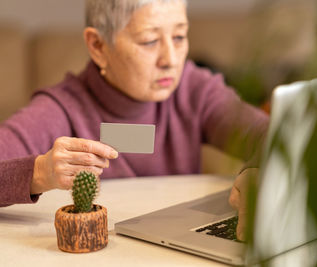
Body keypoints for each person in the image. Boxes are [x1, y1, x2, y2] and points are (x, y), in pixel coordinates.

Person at [0, 0, 268, 240]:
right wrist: (39, 172)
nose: (171, 60)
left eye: (179, 36)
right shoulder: (60, 108)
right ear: (98, 45)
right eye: (149, 41)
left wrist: (257, 172)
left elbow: (272, 133)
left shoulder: (194, 89)